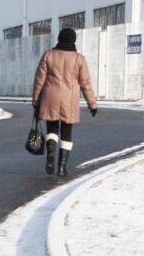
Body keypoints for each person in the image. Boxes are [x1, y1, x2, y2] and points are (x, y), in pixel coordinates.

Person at [32, 28, 98, 177]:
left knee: (52, 128)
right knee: (67, 132)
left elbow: (39, 80)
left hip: (50, 97)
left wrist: (36, 100)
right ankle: (62, 168)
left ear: (59, 38)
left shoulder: (48, 55)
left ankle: (50, 154)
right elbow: (85, 83)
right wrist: (92, 104)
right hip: (70, 100)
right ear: (73, 40)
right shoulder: (79, 59)